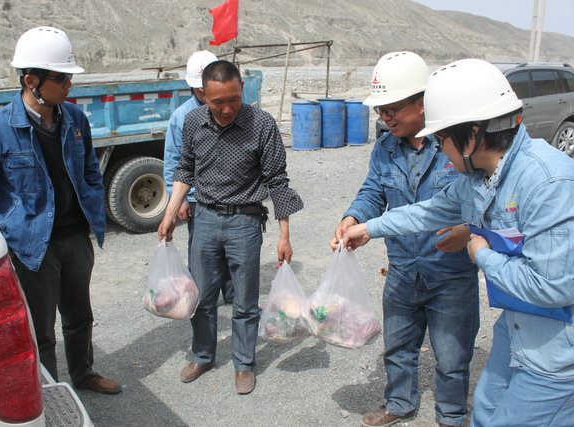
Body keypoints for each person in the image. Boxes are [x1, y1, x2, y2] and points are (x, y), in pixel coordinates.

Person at [343, 58, 574, 427]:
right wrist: (368, 227)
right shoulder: (479, 177)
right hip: (516, 327)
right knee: (484, 412)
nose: (441, 151)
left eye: (442, 139)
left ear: (473, 134)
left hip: (554, 352)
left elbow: (554, 287)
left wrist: (481, 253)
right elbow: (427, 212)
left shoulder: (548, 182)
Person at [0, 26, 121, 394]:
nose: (69, 85)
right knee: (40, 328)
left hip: (75, 239)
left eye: (69, 77)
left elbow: (89, 169)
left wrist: (92, 207)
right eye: (61, 78)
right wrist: (1, 241)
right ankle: (50, 391)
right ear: (31, 80)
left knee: (80, 316)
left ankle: (83, 374)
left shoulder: (74, 119)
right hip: (31, 250)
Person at [330, 51, 479, 427]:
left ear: (422, 102)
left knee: (452, 357)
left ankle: (451, 416)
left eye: (393, 108)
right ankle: (399, 403)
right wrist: (353, 217)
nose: (386, 117)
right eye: (381, 110)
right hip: (402, 270)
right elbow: (372, 191)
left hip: (450, 274)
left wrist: (468, 229)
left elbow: (482, 199)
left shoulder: (455, 146)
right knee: (397, 346)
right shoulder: (384, 149)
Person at [158, 60, 303, 395]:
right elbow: (185, 169)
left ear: (242, 89)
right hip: (204, 218)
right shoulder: (193, 121)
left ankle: (244, 363)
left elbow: (277, 181)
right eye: (217, 102)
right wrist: (169, 213)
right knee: (201, 297)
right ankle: (203, 356)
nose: (226, 109)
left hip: (245, 222)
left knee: (245, 301)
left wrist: (284, 236)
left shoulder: (262, 124)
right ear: (202, 95)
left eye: (233, 99)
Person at [163, 50, 234, 304]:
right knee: (202, 252)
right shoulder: (182, 117)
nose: (204, 95)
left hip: (229, 197)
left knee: (230, 251)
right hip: (196, 200)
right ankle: (202, 298)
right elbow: (173, 162)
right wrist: (180, 200)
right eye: (200, 90)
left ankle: (232, 294)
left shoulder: (231, 112)